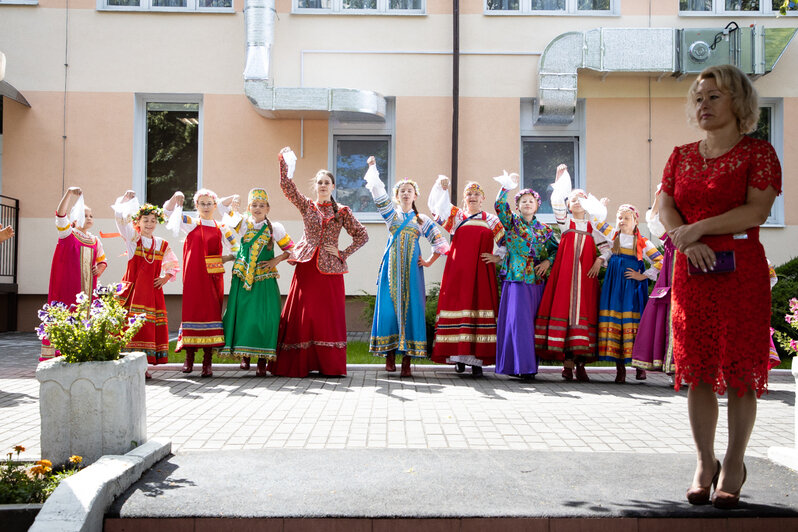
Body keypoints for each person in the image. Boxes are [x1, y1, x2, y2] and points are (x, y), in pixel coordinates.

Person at [658, 64, 781, 509]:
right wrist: (687, 243)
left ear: (738, 103)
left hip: (741, 272)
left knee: (741, 373)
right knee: (697, 373)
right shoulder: (680, 154)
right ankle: (704, 461)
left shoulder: (758, 152)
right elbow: (666, 206)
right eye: (699, 97)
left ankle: (734, 462)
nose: (703, 105)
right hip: (693, 273)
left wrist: (699, 229)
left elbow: (756, 211)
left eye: (714, 96)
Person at [268, 147, 368, 377]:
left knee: (326, 316)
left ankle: (329, 365)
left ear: (333, 187)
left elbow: (362, 235)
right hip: (307, 267)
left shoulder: (342, 211)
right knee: (305, 313)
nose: (323, 185)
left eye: (327, 182)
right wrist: (283, 163)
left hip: (330, 270)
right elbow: (287, 187)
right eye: (320, 182)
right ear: (316, 186)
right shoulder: (307, 205)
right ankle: (300, 363)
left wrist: (343, 253)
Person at [363, 157, 449, 377]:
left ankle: (407, 361)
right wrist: (373, 168)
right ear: (397, 195)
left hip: (412, 271)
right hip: (390, 269)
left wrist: (429, 261)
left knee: (411, 311)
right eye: (402, 190)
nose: (406, 193)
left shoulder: (422, 220)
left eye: (409, 190)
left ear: (415, 195)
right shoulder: (392, 216)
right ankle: (389, 355)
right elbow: (378, 195)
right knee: (389, 311)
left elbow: (441, 243)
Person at [535, 165, 610, 382]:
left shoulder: (593, 226)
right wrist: (560, 181)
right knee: (566, 313)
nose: (577, 201)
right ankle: (567, 364)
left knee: (583, 315)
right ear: (568, 204)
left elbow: (607, 248)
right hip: (565, 278)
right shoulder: (565, 221)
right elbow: (556, 202)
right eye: (573, 199)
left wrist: (599, 260)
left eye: (581, 198)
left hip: (586, 277)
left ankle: (580, 363)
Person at [428, 176, 505, 377]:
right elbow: (437, 207)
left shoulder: (492, 219)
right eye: (469, 194)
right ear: (464, 198)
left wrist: (498, 257)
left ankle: (477, 361)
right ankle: (457, 358)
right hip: (459, 272)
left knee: (479, 309)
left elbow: (507, 241)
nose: (472, 197)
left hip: (481, 272)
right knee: (457, 308)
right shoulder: (458, 216)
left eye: (476, 194)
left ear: (483, 198)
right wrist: (442, 185)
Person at [219, 188, 295, 376]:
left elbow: (291, 250)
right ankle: (245, 357)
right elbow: (221, 205)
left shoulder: (274, 228)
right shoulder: (243, 224)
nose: (258, 208)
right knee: (244, 317)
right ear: (249, 207)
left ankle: (262, 360)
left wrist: (275, 261)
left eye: (262, 205)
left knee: (264, 319)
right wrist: (234, 197)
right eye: (254, 205)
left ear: (268, 208)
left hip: (264, 279)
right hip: (243, 277)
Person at [164, 189, 239, 377]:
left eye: (209, 203)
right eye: (202, 203)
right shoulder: (190, 223)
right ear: (196, 206)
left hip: (213, 277)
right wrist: (175, 196)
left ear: (214, 206)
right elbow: (167, 213)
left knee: (211, 313)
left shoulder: (222, 227)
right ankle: (189, 358)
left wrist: (225, 258)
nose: (206, 207)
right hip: (193, 276)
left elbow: (236, 249)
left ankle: (207, 362)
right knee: (192, 312)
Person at [493, 172, 557, 380]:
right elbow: (499, 207)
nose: (527, 204)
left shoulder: (545, 230)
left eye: (531, 201)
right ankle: (518, 365)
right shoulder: (511, 223)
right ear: (518, 205)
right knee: (517, 322)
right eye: (523, 201)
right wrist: (506, 186)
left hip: (536, 280)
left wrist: (548, 261)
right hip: (515, 278)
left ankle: (530, 366)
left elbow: (557, 250)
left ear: (537, 205)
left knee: (531, 323)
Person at [113, 192, 179, 379]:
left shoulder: (161, 243)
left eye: (152, 221)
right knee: (131, 326)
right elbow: (119, 220)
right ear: (138, 222)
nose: (149, 224)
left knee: (148, 328)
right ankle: (128, 365)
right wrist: (124, 201)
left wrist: (166, 277)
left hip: (151, 292)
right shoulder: (133, 240)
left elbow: (172, 262)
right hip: (133, 293)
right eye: (145, 221)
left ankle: (144, 367)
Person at [595, 204, 663, 383]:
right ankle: (620, 368)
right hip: (613, 285)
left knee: (632, 321)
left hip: (631, 287)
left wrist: (643, 276)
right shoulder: (614, 236)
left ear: (635, 221)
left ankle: (640, 366)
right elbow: (597, 222)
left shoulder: (642, 242)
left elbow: (660, 261)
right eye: (619, 217)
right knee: (615, 319)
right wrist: (600, 207)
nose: (622, 221)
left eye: (626, 218)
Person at [41, 187, 107, 360]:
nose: (89, 218)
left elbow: (102, 260)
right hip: (67, 288)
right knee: (67, 315)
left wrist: (99, 269)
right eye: (85, 215)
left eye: (91, 215)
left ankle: (84, 352)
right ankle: (60, 352)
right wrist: (69, 194)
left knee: (87, 317)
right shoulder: (67, 234)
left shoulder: (94, 240)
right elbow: (60, 215)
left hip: (88, 290)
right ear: (75, 218)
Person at [632, 186, 678, 379]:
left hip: (695, 275)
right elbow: (655, 222)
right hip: (672, 277)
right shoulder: (669, 233)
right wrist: (658, 198)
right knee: (669, 317)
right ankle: (675, 368)